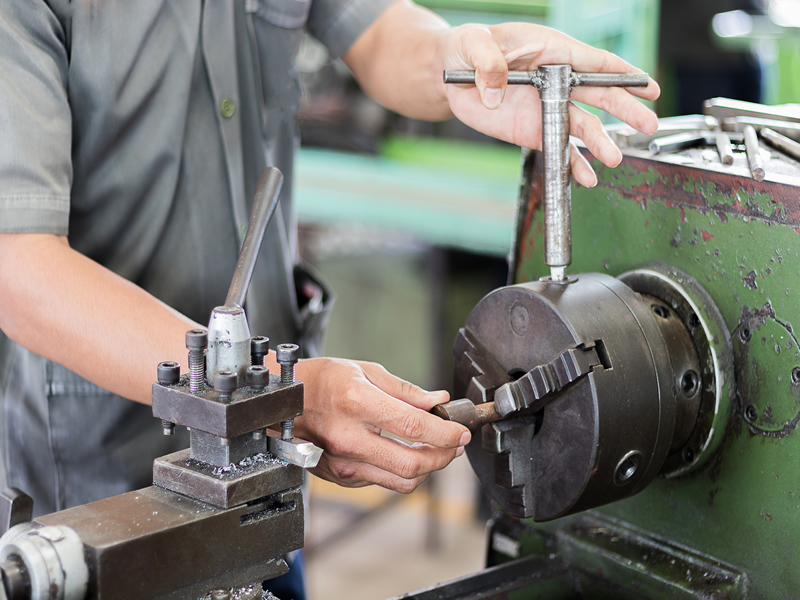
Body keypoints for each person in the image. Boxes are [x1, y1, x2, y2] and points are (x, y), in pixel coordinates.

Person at [0, 0, 659, 594]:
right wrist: (280, 393)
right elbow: (17, 266)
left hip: (269, 482)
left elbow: (376, 35)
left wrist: (460, 63)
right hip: (98, 477)